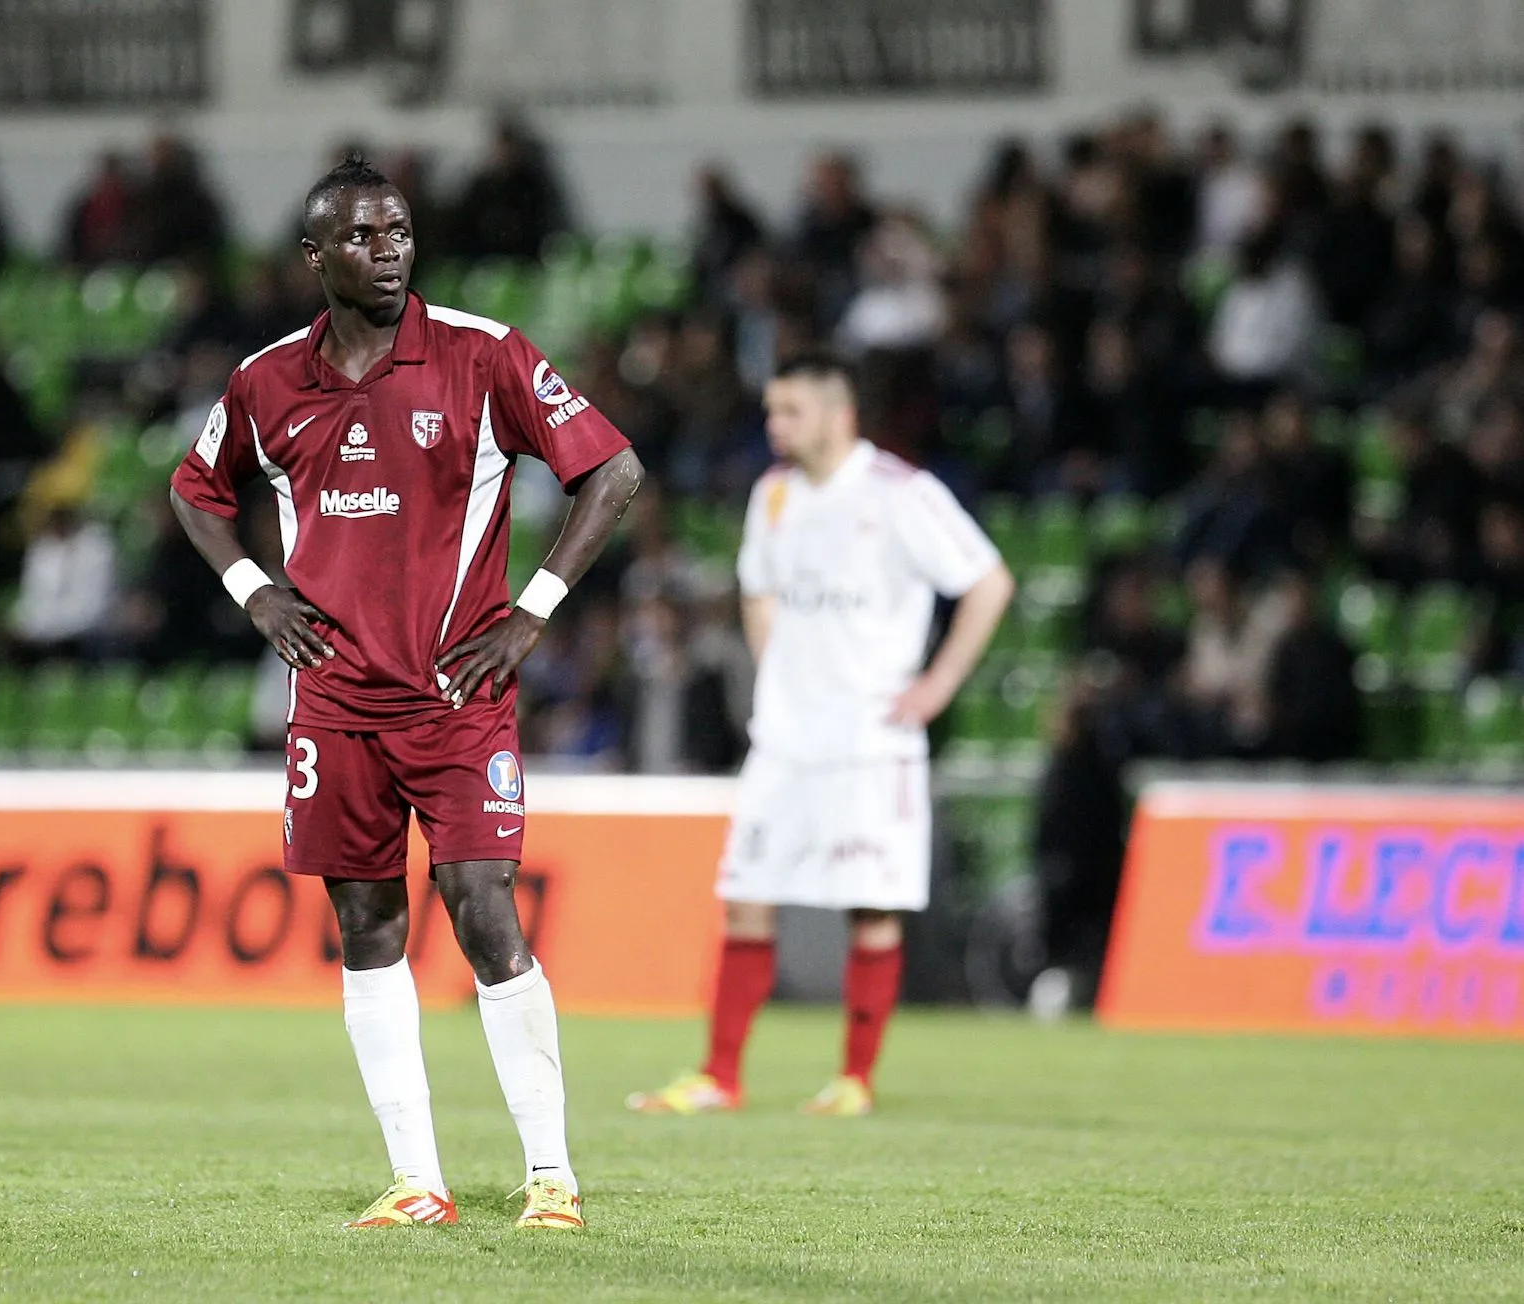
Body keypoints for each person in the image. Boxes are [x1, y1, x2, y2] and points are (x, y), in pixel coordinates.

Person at [169, 154, 642, 1230]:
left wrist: (532, 612)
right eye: (364, 237)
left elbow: (613, 470)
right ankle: (419, 1181)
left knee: (484, 910)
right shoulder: (266, 381)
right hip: (334, 706)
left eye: (400, 232)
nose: (389, 251)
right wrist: (254, 591)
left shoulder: (482, 354)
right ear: (315, 256)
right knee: (367, 925)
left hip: (457, 694)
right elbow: (194, 490)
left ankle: (551, 1176)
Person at [627, 354, 1014, 1118]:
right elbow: (758, 590)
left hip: (870, 740)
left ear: (840, 416)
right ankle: (721, 1076)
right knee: (746, 894)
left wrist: (935, 686)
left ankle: (855, 1081)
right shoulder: (773, 495)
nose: (776, 427)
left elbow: (988, 582)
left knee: (869, 906)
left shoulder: (903, 494)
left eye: (791, 412)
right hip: (784, 740)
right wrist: (780, 673)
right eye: (771, 411)